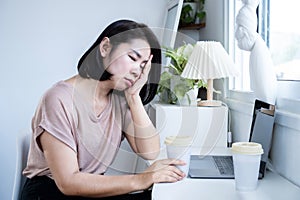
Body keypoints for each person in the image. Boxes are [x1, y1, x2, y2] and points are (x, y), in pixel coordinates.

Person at [21, 19, 186, 200]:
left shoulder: (120, 100)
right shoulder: (58, 98)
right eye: (132, 58)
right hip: (50, 193)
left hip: (86, 192)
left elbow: (150, 151)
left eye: (143, 66)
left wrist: (133, 97)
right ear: (105, 47)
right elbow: (67, 182)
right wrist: (141, 180)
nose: (137, 72)